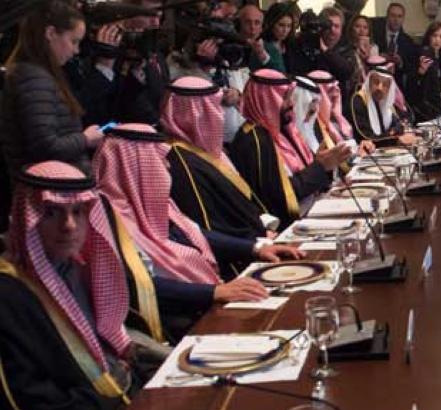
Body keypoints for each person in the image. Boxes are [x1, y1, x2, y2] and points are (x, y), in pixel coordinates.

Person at [0, 162, 142, 410]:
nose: (69, 226)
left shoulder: (73, 267)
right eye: (52, 214)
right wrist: (118, 400)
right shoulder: (10, 297)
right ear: (28, 219)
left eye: (78, 213)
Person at [95, 125, 302, 333]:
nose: (167, 167)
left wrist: (255, 248)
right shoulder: (110, 221)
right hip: (182, 319)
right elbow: (141, 287)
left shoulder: (149, 201)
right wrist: (214, 292)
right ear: (135, 167)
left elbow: (193, 234)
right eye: (159, 160)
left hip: (207, 296)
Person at [230, 69, 350, 227]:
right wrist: (321, 166)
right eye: (285, 98)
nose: (291, 104)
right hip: (288, 227)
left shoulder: (284, 131)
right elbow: (279, 196)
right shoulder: (254, 141)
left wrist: (324, 166)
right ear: (267, 100)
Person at [160, 77, 274, 241]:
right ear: (195, 115)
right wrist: (256, 240)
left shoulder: (209, 153)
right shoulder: (181, 161)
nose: (220, 114)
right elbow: (209, 223)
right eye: (213, 108)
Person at [0, 0, 103, 176]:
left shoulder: (37, 74)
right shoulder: (33, 78)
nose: (76, 50)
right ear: (51, 33)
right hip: (50, 189)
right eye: (73, 41)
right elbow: (45, 146)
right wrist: (85, 139)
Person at [350, 65, 419, 147]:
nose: (380, 88)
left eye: (385, 85)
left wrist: (395, 131)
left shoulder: (386, 101)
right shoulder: (359, 99)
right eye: (376, 82)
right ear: (369, 82)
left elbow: (398, 124)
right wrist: (396, 139)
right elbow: (366, 137)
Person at [372, 3, 418, 97]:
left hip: (397, 88)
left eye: (399, 16)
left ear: (403, 19)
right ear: (387, 17)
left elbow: (412, 67)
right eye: (393, 15)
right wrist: (378, 58)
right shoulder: (375, 35)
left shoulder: (408, 42)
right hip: (375, 84)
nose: (396, 20)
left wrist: (401, 63)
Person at [411, 21, 441, 122]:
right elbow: (413, 82)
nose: (438, 40)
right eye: (435, 35)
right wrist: (421, 71)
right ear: (429, 36)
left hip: (439, 107)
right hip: (425, 108)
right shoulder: (424, 52)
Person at [238, 4, 281, 72]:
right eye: (248, 22)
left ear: (261, 27)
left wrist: (262, 55)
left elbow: (281, 76)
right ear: (240, 23)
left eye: (257, 23)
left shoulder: (270, 49)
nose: (252, 27)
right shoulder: (229, 45)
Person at [262, 2, 296, 73]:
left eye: (289, 26)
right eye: (281, 25)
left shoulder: (291, 44)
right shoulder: (262, 45)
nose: (285, 30)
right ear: (271, 24)